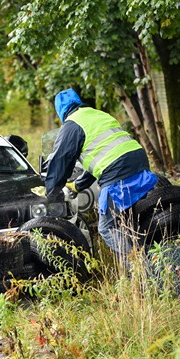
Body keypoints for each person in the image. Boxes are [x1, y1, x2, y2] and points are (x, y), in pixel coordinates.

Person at [45, 88, 158, 258]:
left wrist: (51, 193)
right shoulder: (98, 115)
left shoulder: (71, 125)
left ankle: (140, 267)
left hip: (118, 172)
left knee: (107, 228)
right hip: (138, 162)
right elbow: (102, 156)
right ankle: (151, 262)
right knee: (128, 223)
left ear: (60, 111)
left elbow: (60, 161)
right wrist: (78, 185)